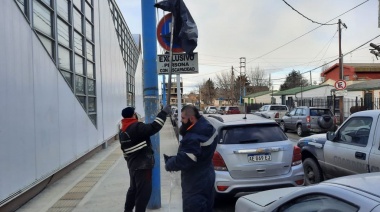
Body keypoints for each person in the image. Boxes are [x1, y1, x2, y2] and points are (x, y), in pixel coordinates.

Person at [164, 105, 218, 212]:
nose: (181, 121)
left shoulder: (192, 138)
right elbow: (196, 155)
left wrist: (169, 163)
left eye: (183, 118)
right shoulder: (208, 128)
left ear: (192, 119)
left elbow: (185, 159)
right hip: (208, 177)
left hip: (195, 184)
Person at [119, 105, 172, 212]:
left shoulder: (122, 131)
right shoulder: (136, 127)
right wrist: (163, 113)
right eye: (135, 113)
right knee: (143, 194)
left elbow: (125, 152)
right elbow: (154, 127)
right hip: (143, 167)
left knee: (133, 190)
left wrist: (131, 162)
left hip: (132, 166)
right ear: (133, 115)